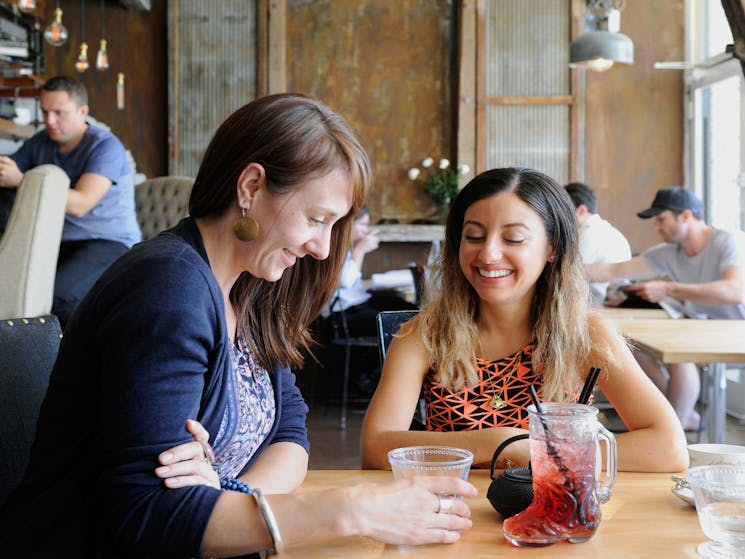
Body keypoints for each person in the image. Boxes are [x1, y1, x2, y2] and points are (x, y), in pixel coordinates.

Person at [0, 94, 476, 557]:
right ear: (250, 187)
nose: (323, 249)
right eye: (315, 218)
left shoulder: (248, 287)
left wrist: (229, 494)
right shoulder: (169, 288)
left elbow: (291, 432)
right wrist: (352, 509)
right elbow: (145, 516)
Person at [360, 167, 688, 473]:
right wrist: (496, 442)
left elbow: (668, 447)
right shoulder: (424, 334)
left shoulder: (585, 333)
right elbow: (375, 448)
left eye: (513, 238)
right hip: (450, 512)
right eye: (473, 236)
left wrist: (531, 452)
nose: (488, 254)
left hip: (556, 515)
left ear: (553, 249)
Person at [585, 186, 745, 431]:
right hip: (700, 328)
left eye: (661, 219)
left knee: (681, 355)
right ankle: (676, 416)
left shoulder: (728, 241)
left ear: (686, 216)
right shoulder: (668, 252)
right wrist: (556, 270)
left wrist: (669, 289)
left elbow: (735, 291)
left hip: (736, 331)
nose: (657, 227)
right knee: (632, 347)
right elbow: (612, 271)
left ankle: (672, 433)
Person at [0, 75, 141, 327]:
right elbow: (7, 176)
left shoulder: (105, 146)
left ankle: (73, 362)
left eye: (59, 113)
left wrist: (21, 179)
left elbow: (81, 204)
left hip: (107, 242)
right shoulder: (42, 141)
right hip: (58, 240)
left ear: (82, 111)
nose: (49, 121)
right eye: (44, 112)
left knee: (59, 299)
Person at [329, 205, 418, 337]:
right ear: (348, 224)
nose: (366, 231)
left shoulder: (347, 248)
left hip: (359, 301)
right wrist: (360, 250)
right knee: (400, 322)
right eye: (363, 224)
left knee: (412, 311)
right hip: (343, 313)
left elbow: (354, 283)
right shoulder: (332, 249)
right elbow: (346, 282)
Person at [564, 182, 631, 306]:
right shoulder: (603, 229)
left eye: (564, 213)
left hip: (603, 307)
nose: (561, 220)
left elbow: (569, 276)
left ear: (581, 211)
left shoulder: (590, 234)